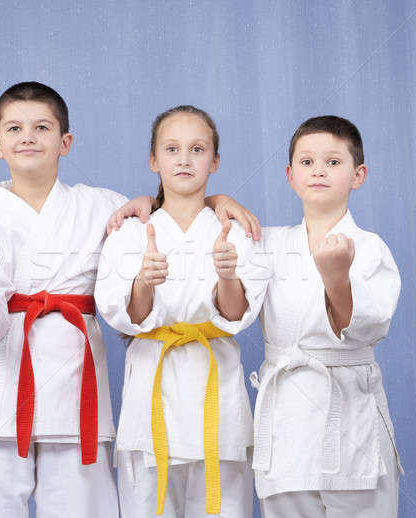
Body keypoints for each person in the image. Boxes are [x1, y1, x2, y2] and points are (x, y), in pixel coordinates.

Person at [0, 82, 259, 518]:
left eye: (42, 127)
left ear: (65, 142)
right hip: (2, 389)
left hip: (77, 399)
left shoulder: (100, 206)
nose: (29, 137)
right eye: (15, 128)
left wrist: (217, 200)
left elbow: (170, 205)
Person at [95, 105, 265, 518]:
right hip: (150, 400)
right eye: (172, 149)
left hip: (217, 398)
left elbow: (237, 314)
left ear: (215, 161)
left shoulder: (237, 230)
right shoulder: (130, 232)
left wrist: (227, 275)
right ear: (154, 160)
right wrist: (142, 283)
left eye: (197, 149)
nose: (184, 159)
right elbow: (128, 316)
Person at [250, 116, 403, 517]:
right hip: (286, 424)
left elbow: (369, 325)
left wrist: (336, 280)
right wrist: (220, 202)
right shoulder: (265, 242)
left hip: (351, 416)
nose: (318, 170)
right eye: (307, 162)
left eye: (333, 162)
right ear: (290, 175)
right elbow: (196, 207)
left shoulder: (370, 248)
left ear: (358, 175)